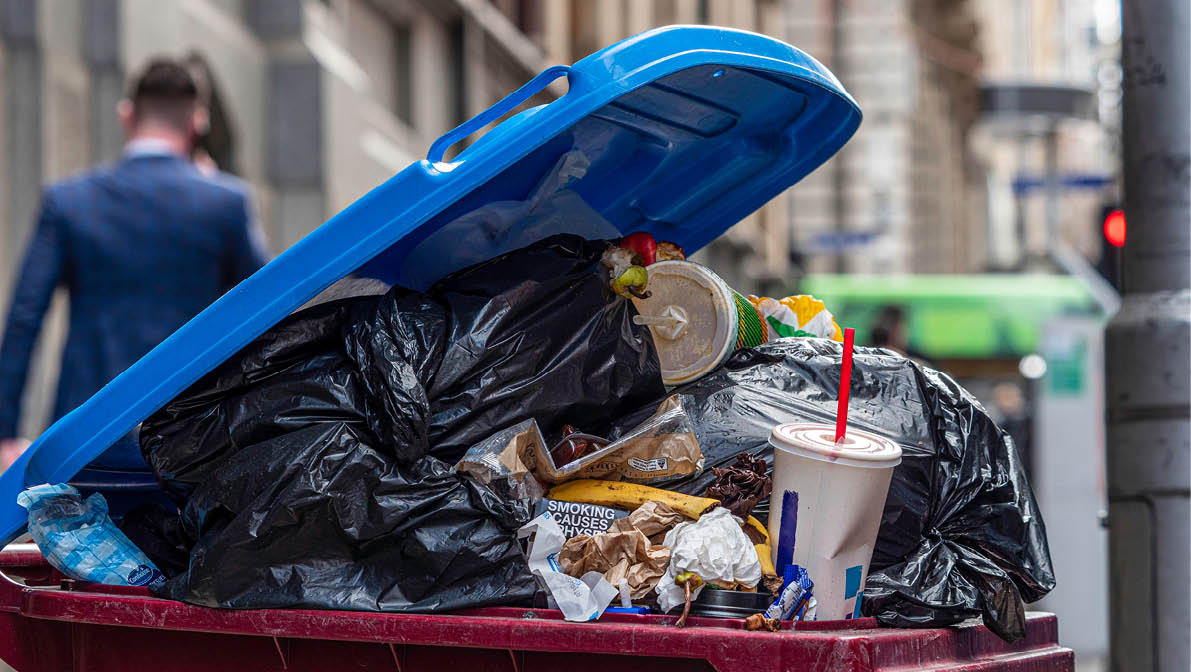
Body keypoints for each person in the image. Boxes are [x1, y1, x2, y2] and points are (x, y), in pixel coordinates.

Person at [0, 58, 270, 470]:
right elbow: (266, 314)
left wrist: (5, 431)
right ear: (197, 123)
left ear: (126, 116)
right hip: (195, 443)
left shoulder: (69, 200)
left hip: (84, 441)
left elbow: (24, 318)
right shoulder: (227, 204)